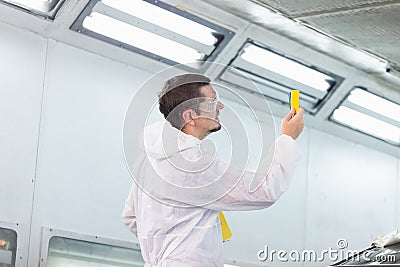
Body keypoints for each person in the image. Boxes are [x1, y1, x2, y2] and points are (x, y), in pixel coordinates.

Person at [122, 73, 304, 267]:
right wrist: (288, 138)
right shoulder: (193, 162)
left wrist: (172, 240)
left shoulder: (147, 159)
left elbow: (131, 217)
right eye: (212, 101)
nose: (220, 106)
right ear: (190, 115)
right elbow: (265, 189)